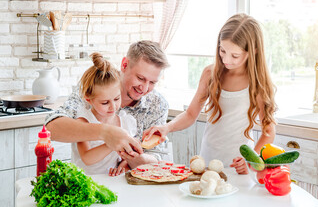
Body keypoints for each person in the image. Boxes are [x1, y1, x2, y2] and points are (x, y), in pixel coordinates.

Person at [143, 13, 277, 174]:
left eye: (235, 55)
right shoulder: (210, 74)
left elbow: (268, 132)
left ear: (253, 51)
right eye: (222, 51)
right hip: (207, 160)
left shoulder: (258, 83)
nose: (226, 59)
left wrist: (251, 159)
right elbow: (191, 114)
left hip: (239, 166)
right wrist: (166, 127)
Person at [45, 40, 170, 168]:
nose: (144, 88)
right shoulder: (96, 84)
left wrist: (131, 159)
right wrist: (106, 133)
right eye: (140, 78)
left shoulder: (157, 104)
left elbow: (156, 157)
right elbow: (52, 128)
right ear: (125, 65)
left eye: (152, 82)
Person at [73, 52, 136, 176]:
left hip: (112, 183)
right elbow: (87, 158)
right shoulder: (84, 122)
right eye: (105, 102)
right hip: (85, 183)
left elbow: (126, 155)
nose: (113, 107)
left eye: (117, 99)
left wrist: (124, 164)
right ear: (88, 99)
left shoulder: (125, 122)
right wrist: (113, 141)